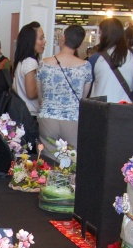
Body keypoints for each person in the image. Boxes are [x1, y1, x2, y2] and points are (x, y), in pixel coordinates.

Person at [36, 25, 93, 159]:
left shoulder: (44, 63)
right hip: (73, 119)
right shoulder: (85, 66)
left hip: (48, 117)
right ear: (79, 45)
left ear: (63, 38)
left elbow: (40, 94)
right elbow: (84, 96)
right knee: (70, 161)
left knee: (48, 161)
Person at [88, 17, 133, 103]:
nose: (99, 37)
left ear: (105, 35)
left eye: (101, 33)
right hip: (125, 109)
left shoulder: (96, 58)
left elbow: (88, 86)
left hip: (100, 109)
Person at [14, 22, 46, 126]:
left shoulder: (22, 61)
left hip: (23, 113)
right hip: (29, 115)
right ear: (31, 40)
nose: (44, 42)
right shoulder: (30, 62)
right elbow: (31, 93)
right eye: (41, 38)